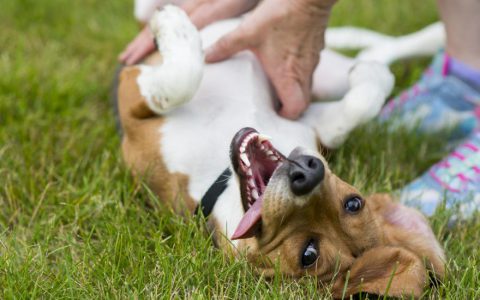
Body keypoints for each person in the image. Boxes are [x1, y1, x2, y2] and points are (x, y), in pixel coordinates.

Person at [119, 0, 480, 216]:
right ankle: (465, 78)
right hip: (265, 55)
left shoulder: (173, 173)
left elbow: (131, 98)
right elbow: (315, 120)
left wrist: (180, 74)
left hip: (183, 56)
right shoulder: (288, 164)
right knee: (356, 81)